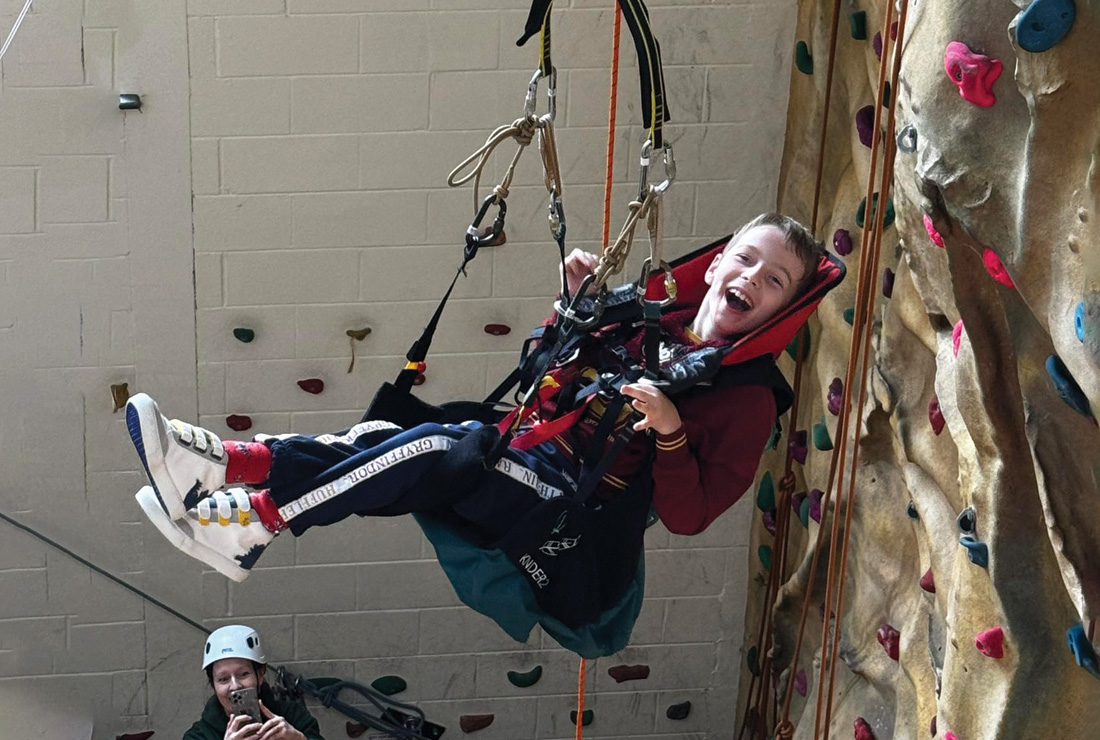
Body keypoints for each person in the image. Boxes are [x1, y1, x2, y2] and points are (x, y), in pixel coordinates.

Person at [125, 213, 833, 636]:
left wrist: (673, 432)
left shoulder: (746, 397)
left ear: (782, 310)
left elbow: (690, 515)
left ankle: (256, 522)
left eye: (774, 280)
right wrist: (572, 309)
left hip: (572, 515)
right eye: (745, 259)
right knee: (382, 442)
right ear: (714, 268)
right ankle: (226, 465)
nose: (751, 278)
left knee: (441, 444)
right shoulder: (644, 313)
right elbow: (541, 370)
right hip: (528, 455)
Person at [185, 625, 324, 740]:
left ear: (260, 674)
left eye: (243, 674)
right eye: (223, 679)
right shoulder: (199, 735)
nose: (235, 686)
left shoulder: (293, 716)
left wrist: (299, 739)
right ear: (213, 685)